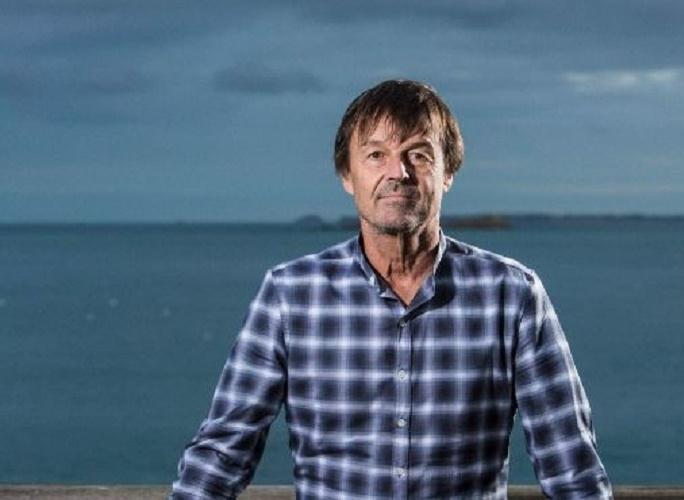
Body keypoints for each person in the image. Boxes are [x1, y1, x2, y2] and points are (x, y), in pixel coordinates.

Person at [170, 79, 612, 499]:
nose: (397, 172)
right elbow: (222, 456)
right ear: (347, 175)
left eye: (418, 155)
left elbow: (571, 468)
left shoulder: (512, 295)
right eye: (376, 155)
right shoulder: (290, 295)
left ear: (448, 173)